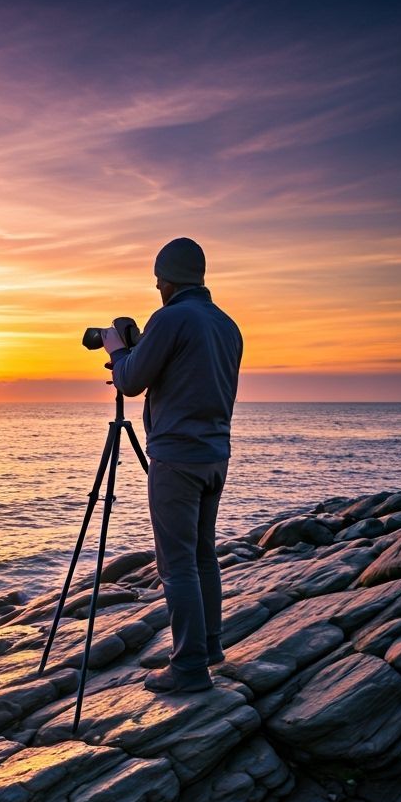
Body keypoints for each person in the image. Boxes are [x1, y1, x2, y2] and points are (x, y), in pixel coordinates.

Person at [102, 237, 243, 693]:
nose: (157, 286)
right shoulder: (226, 324)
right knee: (204, 556)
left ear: (169, 278)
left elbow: (130, 382)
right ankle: (209, 645)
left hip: (177, 457)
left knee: (177, 564)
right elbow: (189, 374)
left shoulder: (171, 317)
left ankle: (188, 669)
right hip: (214, 455)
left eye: (158, 278)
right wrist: (144, 348)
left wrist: (117, 348)